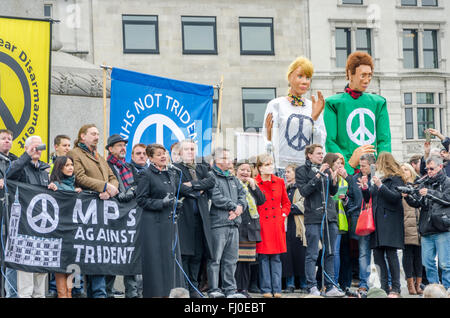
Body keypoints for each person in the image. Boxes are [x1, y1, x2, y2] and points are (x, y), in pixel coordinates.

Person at [68, 124, 119, 298]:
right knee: (82, 253)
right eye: (93, 134)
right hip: (85, 211)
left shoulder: (99, 156)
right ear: (82, 136)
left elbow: (112, 176)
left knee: (98, 254)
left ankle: (99, 293)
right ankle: (78, 291)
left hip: (101, 212)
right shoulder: (75, 154)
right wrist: (103, 186)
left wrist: (110, 189)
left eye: (98, 134)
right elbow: (79, 177)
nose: (97, 137)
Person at [324, 51, 391, 175]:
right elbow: (330, 140)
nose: (367, 80)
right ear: (350, 74)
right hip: (346, 172)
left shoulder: (379, 102)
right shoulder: (332, 103)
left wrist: (382, 168)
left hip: (372, 171)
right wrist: (349, 165)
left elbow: (384, 139)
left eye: (370, 75)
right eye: (363, 75)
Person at [6, 135, 55, 298]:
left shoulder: (43, 169)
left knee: (40, 273)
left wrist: (51, 187)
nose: (37, 150)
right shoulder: (20, 167)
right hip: (25, 228)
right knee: (26, 276)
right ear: (26, 148)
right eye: (33, 147)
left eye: (39, 147)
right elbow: (9, 175)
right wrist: (26, 155)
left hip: (42, 228)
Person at [263, 56, 326, 178]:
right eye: (300, 76)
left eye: (308, 78)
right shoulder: (276, 105)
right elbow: (266, 138)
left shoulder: (313, 106)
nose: (304, 81)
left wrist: (315, 118)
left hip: (306, 169)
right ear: (290, 77)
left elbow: (319, 142)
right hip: (281, 169)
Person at [135, 143, 185, 297]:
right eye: (158, 154)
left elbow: (172, 194)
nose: (163, 156)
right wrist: (161, 203)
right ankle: (156, 293)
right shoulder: (146, 174)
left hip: (169, 222)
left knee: (170, 259)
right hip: (153, 224)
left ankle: (170, 292)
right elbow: (141, 199)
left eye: (164, 153)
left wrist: (176, 204)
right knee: (156, 260)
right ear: (150, 158)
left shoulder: (171, 173)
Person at [295, 144, 344, 297]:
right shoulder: (302, 171)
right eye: (318, 153)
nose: (321, 155)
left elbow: (332, 192)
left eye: (322, 153)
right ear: (309, 155)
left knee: (330, 252)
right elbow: (304, 191)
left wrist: (334, 180)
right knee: (312, 253)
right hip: (313, 216)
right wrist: (318, 176)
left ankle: (330, 286)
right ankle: (312, 286)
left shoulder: (328, 170)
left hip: (329, 215)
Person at [359, 152, 405, 297]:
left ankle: (396, 288)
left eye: (378, 163)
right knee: (378, 255)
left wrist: (380, 186)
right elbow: (369, 198)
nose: (376, 166)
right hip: (377, 223)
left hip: (390, 223)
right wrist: (365, 188)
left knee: (391, 255)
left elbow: (395, 198)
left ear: (385, 163)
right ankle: (384, 287)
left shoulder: (396, 179)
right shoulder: (379, 179)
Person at [174, 140, 215, 298]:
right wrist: (199, 189)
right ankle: (185, 288)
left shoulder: (202, 167)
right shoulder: (176, 168)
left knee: (198, 254)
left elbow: (211, 181)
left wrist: (192, 185)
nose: (190, 152)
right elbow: (179, 187)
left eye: (192, 149)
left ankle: (194, 288)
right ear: (180, 152)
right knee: (185, 254)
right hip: (185, 218)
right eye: (186, 149)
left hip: (201, 219)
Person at [206, 147, 247, 298]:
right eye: (224, 158)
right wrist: (234, 207)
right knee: (215, 259)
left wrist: (240, 208)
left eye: (229, 158)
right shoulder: (211, 177)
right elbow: (216, 198)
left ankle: (230, 290)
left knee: (231, 260)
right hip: (218, 224)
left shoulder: (233, 178)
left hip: (234, 224)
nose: (228, 161)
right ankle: (214, 289)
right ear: (216, 160)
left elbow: (243, 194)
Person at [405, 155, 450, 291]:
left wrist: (429, 193)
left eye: (431, 168)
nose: (428, 171)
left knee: (445, 264)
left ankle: (447, 290)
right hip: (426, 229)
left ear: (440, 167)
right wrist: (408, 196)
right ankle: (435, 290)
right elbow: (418, 203)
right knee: (428, 263)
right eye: (427, 169)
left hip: (442, 228)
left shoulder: (447, 182)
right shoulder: (424, 182)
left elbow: (447, 200)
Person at [105, 134, 138, 298]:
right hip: (112, 218)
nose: (123, 148)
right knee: (111, 255)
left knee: (130, 255)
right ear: (110, 149)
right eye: (119, 145)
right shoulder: (105, 166)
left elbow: (138, 185)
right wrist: (121, 195)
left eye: (124, 145)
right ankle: (107, 292)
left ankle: (132, 293)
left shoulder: (129, 167)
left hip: (130, 217)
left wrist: (131, 192)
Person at [254, 154, 291, 298]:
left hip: (276, 224)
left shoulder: (280, 181)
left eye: (271, 164)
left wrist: (283, 214)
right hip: (262, 224)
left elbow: (286, 203)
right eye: (267, 164)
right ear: (260, 168)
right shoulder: (255, 183)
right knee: (263, 257)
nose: (271, 167)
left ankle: (277, 290)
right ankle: (266, 289)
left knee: (276, 257)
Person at [48, 156, 82, 297]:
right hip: (60, 234)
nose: (70, 167)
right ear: (59, 167)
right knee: (61, 276)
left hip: (73, 235)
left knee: (70, 277)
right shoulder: (55, 184)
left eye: (71, 164)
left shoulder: (75, 185)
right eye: (66, 165)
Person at [234, 160, 265, 298]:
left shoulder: (252, 186)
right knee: (235, 261)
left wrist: (254, 187)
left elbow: (262, 200)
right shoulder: (233, 184)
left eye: (248, 170)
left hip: (250, 229)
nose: (245, 172)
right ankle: (234, 288)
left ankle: (244, 289)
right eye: (242, 169)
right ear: (236, 171)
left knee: (246, 262)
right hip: (237, 227)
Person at [346, 153, 376, 294]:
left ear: (372, 165)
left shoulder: (377, 177)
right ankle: (363, 282)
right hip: (362, 219)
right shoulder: (354, 179)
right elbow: (350, 197)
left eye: (364, 166)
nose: (361, 168)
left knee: (379, 253)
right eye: (360, 165)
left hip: (378, 219)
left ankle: (381, 281)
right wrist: (354, 210)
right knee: (363, 253)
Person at [281, 163, 307, 294]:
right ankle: (289, 284)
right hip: (286, 227)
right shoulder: (284, 189)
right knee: (287, 257)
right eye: (285, 172)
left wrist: (286, 209)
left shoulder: (301, 188)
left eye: (288, 172)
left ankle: (303, 284)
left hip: (298, 227)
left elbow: (302, 205)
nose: (286, 174)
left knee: (301, 256)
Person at [0, 129, 19, 298]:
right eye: (3, 138)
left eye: (10, 138)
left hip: (10, 213)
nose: (7, 141)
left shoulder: (15, 161)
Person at [400, 163, 423, 295]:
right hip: (406, 225)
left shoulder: (418, 186)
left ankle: (418, 284)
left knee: (419, 256)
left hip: (419, 224)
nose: (404, 172)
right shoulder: (400, 188)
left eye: (406, 169)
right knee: (408, 255)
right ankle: (410, 284)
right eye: (402, 170)